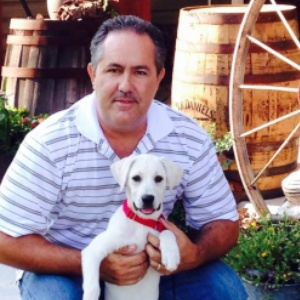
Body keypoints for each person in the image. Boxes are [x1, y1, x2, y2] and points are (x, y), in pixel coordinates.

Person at [0, 15, 247, 300]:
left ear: (159, 78)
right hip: (65, 269)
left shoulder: (188, 138)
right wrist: (95, 264)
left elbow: (223, 221)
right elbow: (4, 239)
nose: (125, 85)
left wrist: (195, 253)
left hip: (152, 269)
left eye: (140, 72)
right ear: (93, 74)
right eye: (114, 70)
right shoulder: (51, 142)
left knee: (222, 288)